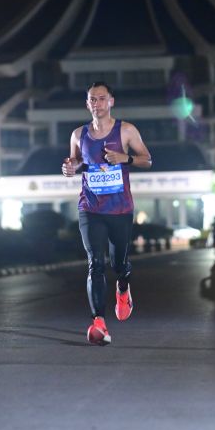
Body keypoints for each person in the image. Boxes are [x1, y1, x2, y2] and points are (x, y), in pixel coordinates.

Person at [62, 82, 152, 345]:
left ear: (111, 101)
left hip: (120, 209)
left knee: (118, 264)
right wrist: (70, 168)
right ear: (87, 103)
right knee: (95, 263)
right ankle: (99, 321)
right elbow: (76, 161)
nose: (97, 103)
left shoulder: (126, 130)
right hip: (90, 207)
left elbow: (147, 159)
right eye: (92, 99)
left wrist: (125, 158)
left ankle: (123, 287)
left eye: (102, 98)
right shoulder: (78, 134)